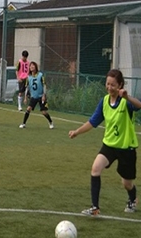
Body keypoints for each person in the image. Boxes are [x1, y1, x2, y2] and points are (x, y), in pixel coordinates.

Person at [69, 69, 141, 216]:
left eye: (113, 85)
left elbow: (139, 105)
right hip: (109, 145)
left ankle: (133, 198)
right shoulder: (104, 101)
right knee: (95, 168)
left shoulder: (126, 102)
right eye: (107, 84)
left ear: (120, 85)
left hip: (126, 148)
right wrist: (77, 132)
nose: (109, 87)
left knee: (126, 183)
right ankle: (95, 208)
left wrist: (127, 97)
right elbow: (92, 122)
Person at [18, 61, 54, 129]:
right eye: (30, 66)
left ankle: (50, 122)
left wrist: (44, 95)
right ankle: (23, 123)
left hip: (41, 96)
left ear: (36, 67)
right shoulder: (29, 77)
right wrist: (25, 97)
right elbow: (27, 88)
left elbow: (44, 85)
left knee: (44, 112)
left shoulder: (40, 75)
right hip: (33, 97)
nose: (31, 67)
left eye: (33, 65)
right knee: (28, 109)